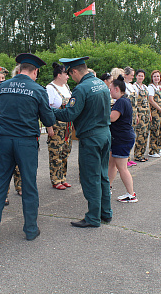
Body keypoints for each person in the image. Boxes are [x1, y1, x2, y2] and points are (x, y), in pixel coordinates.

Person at [0, 53, 56, 246]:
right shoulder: (37, 89)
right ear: (35, 71)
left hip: (3, 141)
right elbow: (48, 120)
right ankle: (31, 230)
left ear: (20, 69)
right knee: (29, 185)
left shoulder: (4, 86)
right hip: (26, 143)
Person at [54, 56, 112, 228]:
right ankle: (106, 213)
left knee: (90, 178)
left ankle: (93, 218)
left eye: (70, 74)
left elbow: (69, 115)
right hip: (105, 134)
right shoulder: (101, 84)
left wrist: (50, 111)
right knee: (102, 175)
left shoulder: (81, 89)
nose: (71, 78)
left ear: (73, 71)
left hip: (91, 137)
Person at [0, 66, 21, 201]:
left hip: (8, 130)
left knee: (16, 162)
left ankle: (20, 186)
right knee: (0, 165)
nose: (1, 80)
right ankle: (3, 194)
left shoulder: (9, 91)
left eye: (3, 78)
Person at [108, 75, 138, 203]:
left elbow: (112, 118)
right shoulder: (123, 100)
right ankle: (107, 187)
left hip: (122, 139)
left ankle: (131, 194)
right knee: (111, 163)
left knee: (122, 168)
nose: (109, 92)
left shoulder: (121, 101)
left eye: (110, 89)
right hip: (119, 138)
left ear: (116, 89)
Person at [46, 62, 72, 190]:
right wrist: (49, 126)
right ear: (58, 75)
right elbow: (47, 109)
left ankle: (63, 177)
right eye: (65, 73)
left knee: (66, 151)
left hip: (67, 125)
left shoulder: (66, 87)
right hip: (56, 125)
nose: (68, 76)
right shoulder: (50, 88)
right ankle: (56, 179)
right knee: (56, 152)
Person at [148, 70, 161, 158]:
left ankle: (158, 148)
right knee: (155, 131)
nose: (156, 78)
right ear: (152, 78)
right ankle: (152, 150)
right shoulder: (151, 87)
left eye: (158, 76)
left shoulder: (160, 88)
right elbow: (151, 100)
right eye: (154, 76)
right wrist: (160, 110)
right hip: (155, 112)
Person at [133, 69, 151, 162]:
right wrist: (135, 115)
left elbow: (148, 101)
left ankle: (142, 153)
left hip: (146, 113)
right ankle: (137, 155)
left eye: (142, 76)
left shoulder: (145, 87)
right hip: (139, 113)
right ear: (136, 76)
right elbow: (134, 102)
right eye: (139, 75)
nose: (141, 77)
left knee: (145, 133)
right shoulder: (134, 87)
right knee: (140, 134)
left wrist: (150, 114)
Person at [123, 66, 138, 167]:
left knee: (131, 137)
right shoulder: (123, 86)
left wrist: (136, 115)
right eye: (132, 75)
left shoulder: (131, 86)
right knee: (126, 137)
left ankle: (128, 157)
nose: (133, 77)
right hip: (127, 114)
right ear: (126, 75)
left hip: (133, 113)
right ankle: (124, 160)